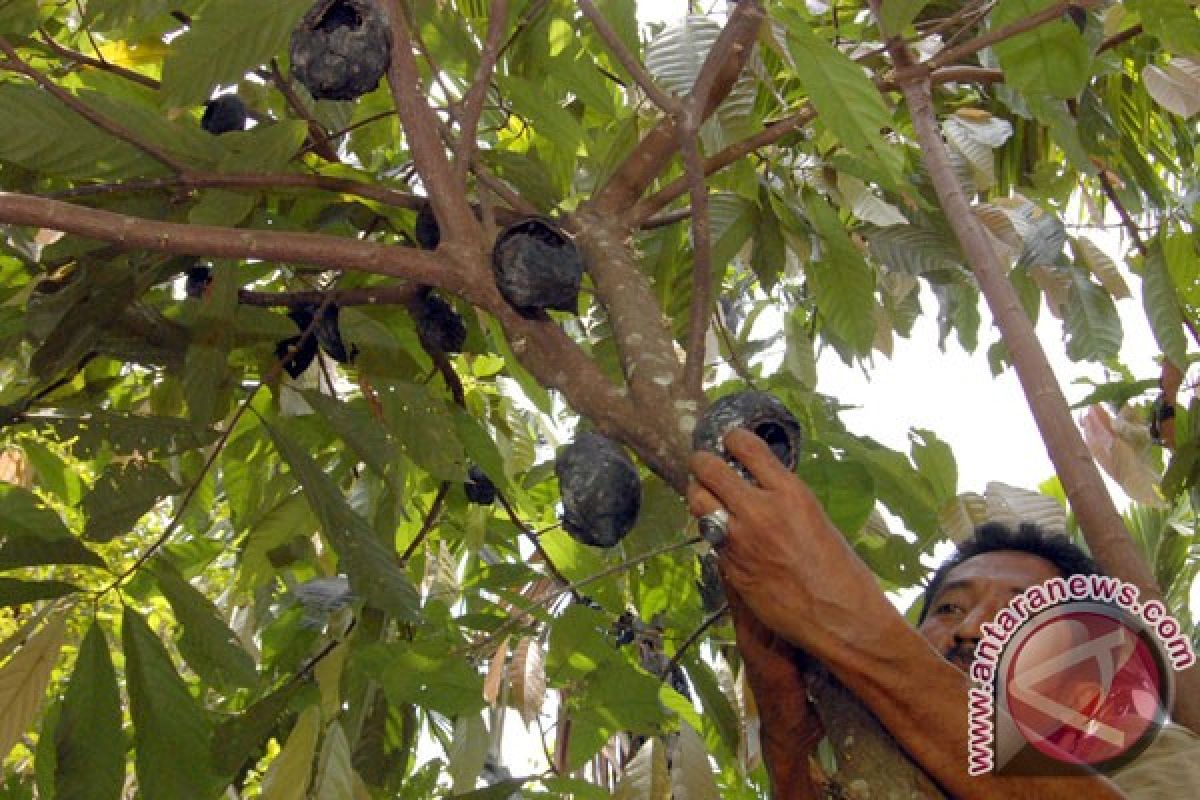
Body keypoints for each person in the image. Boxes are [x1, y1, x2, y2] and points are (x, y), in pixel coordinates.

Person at [688, 428, 1200, 799]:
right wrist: (785, 731)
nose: (973, 628)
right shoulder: (875, 764)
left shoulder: (1145, 754)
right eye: (949, 607)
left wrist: (853, 625)